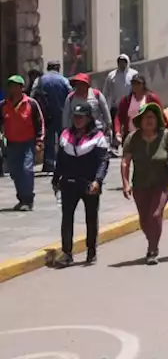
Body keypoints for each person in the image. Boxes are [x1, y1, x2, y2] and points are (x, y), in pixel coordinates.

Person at [121, 102, 168, 264]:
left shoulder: (166, 136)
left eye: (152, 117)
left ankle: (152, 249)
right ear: (140, 121)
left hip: (162, 184)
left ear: (157, 120)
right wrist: (126, 183)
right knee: (144, 220)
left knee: (155, 215)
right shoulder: (132, 138)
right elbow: (125, 162)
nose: (149, 121)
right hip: (140, 184)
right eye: (145, 118)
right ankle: (152, 241)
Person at [51, 103, 110, 267]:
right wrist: (55, 179)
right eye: (75, 117)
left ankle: (91, 252)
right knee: (66, 219)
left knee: (91, 218)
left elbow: (103, 162)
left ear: (89, 118)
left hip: (90, 184)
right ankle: (67, 253)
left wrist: (98, 181)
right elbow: (60, 161)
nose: (77, 120)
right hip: (68, 183)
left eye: (81, 117)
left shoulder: (98, 138)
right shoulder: (65, 135)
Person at [2, 75, 45, 211]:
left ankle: (27, 199)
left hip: (27, 143)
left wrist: (39, 141)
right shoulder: (3, 105)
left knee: (26, 170)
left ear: (22, 88)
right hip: (12, 144)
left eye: (16, 86)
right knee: (14, 172)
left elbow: (39, 123)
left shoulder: (31, 104)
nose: (13, 89)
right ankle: (21, 197)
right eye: (11, 86)